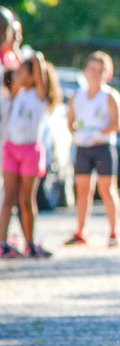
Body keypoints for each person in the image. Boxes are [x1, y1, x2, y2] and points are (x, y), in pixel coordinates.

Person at [1, 52, 61, 258]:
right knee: (8, 198)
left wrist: (37, 61)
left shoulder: (38, 96)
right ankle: (2, 242)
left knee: (26, 200)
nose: (16, 76)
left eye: (21, 73)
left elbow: (41, 78)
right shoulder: (16, 94)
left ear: (33, 76)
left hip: (30, 151)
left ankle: (30, 242)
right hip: (11, 149)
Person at [64, 51, 120, 247]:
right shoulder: (78, 96)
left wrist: (101, 131)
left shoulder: (109, 95)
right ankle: (81, 230)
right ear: (85, 71)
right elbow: (70, 121)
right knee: (83, 190)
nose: (96, 74)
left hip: (102, 147)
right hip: (83, 147)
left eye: (100, 71)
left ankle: (114, 231)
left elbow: (118, 123)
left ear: (107, 74)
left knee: (107, 189)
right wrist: (77, 133)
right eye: (92, 70)